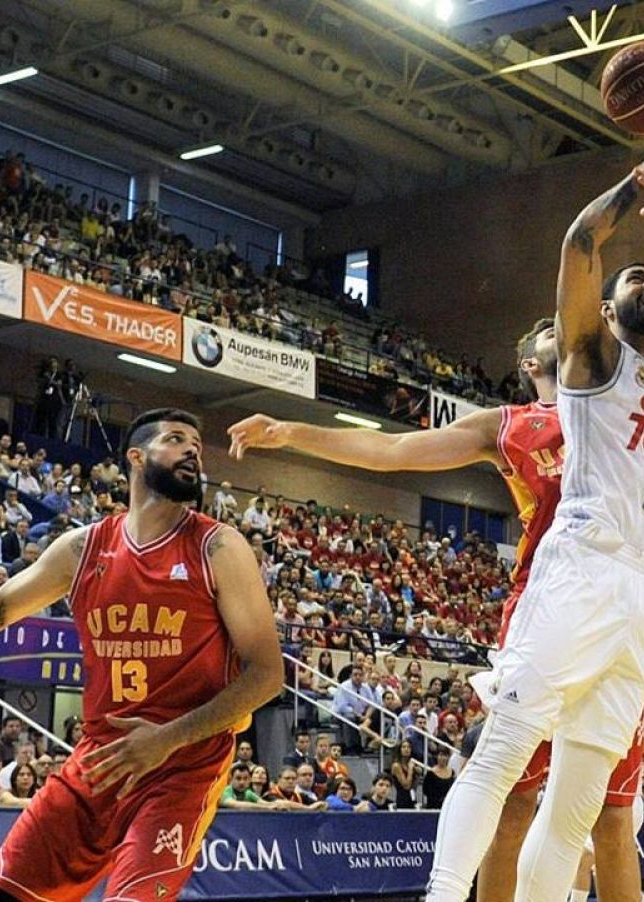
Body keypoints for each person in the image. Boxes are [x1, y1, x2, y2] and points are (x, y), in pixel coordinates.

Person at [418, 120, 644, 902]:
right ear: (606, 313)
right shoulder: (589, 357)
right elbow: (581, 242)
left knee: (578, 805)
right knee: (505, 751)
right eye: (632, 282)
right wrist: (639, 183)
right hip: (580, 566)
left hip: (642, 593)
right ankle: (442, 894)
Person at [229, 317, 564, 902]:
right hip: (546, 602)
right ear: (529, 365)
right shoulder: (506, 425)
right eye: (545, 329)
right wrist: (288, 431)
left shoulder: (617, 406)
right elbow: (394, 449)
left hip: (619, 609)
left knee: (603, 808)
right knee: (516, 798)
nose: (556, 323)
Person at [0, 408, 284, 902]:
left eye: (196, 444)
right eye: (176, 439)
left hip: (183, 766)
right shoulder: (84, 548)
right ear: (136, 457)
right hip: (99, 759)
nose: (192, 450)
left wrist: (167, 738)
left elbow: (267, 675)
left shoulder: (218, 547)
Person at [569, 699, 644, 902]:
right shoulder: (602, 723)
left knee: (585, 860)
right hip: (597, 801)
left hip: (627, 804)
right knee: (606, 870)